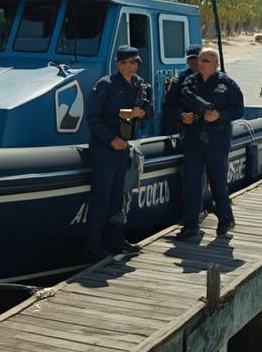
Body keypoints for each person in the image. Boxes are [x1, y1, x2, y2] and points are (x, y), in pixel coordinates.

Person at [83, 45, 153, 261]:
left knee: (117, 198)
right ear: (118, 64)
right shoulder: (106, 84)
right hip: (105, 149)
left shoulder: (139, 85)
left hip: (124, 149)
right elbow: (93, 119)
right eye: (127, 62)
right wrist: (111, 139)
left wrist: (140, 112)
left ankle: (116, 239)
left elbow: (151, 112)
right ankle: (93, 244)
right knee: (101, 198)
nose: (131, 66)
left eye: (135, 62)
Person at [175, 46, 244, 241]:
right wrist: (182, 115)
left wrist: (219, 115)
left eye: (206, 60)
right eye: (200, 60)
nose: (201, 63)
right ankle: (191, 225)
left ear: (216, 64)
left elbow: (239, 110)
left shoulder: (226, 84)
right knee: (191, 182)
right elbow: (174, 105)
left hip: (217, 139)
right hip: (193, 138)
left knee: (218, 181)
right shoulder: (189, 82)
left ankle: (225, 220)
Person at [161, 45, 201, 136]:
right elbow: (169, 106)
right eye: (191, 60)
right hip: (187, 126)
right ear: (187, 61)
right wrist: (182, 114)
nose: (194, 62)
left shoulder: (214, 78)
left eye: (196, 59)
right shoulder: (180, 80)